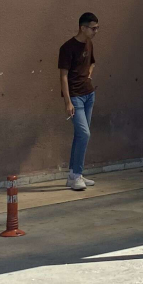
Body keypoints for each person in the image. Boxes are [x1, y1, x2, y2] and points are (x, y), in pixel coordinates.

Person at [58, 12, 99, 192]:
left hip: (89, 94)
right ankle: (76, 175)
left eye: (97, 28)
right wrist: (68, 102)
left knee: (80, 135)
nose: (96, 31)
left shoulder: (89, 44)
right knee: (84, 134)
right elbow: (63, 76)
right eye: (93, 28)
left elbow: (92, 63)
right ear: (82, 28)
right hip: (75, 97)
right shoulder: (67, 48)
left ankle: (75, 175)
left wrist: (88, 75)